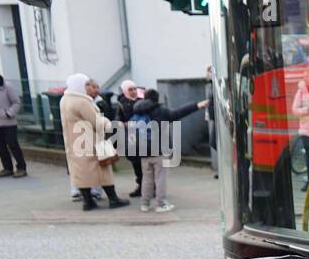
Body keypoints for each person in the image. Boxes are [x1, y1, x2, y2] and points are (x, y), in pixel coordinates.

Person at [131, 88, 207, 212]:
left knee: (147, 178)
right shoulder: (161, 111)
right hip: (159, 150)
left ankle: (144, 204)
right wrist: (197, 106)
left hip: (143, 150)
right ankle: (160, 204)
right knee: (160, 177)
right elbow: (178, 113)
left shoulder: (138, 111)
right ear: (157, 98)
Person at [61, 73, 129, 211]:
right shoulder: (81, 101)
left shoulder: (65, 99)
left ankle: (88, 202)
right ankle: (113, 199)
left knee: (81, 172)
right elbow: (96, 121)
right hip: (91, 141)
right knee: (104, 170)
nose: (88, 87)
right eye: (86, 84)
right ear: (79, 85)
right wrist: (111, 124)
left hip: (75, 141)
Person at [115, 79, 145, 197]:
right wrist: (121, 123)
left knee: (147, 161)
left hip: (144, 134)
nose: (133, 92)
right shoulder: (122, 102)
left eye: (134, 89)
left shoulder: (143, 99)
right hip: (131, 135)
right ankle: (141, 185)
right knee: (136, 161)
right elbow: (118, 118)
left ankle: (151, 186)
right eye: (130, 89)